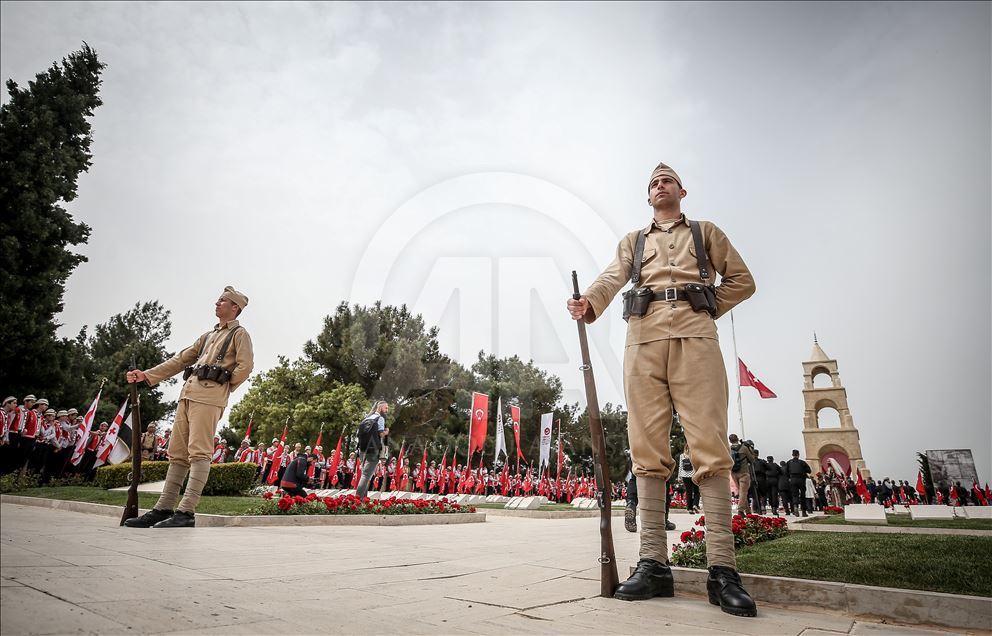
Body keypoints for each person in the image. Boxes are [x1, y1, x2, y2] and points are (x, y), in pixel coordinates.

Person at [567, 162, 757, 616]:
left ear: (681, 190)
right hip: (643, 340)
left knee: (709, 446)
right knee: (646, 448)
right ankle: (653, 563)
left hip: (696, 339)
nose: (659, 186)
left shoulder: (705, 232)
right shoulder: (633, 242)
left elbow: (742, 281)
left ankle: (723, 572)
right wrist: (589, 301)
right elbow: (613, 277)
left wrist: (706, 306)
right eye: (652, 183)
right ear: (647, 197)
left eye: (666, 180)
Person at [124, 286, 254, 529]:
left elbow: (245, 367)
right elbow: (181, 359)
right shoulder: (207, 336)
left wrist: (220, 389)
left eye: (223, 301)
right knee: (178, 454)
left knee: (199, 452)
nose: (217, 303)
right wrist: (147, 376)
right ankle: (164, 508)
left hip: (208, 399)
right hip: (188, 396)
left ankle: (186, 512)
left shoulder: (239, 334)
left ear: (235, 307)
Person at [355, 401, 389, 499]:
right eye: (385, 408)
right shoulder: (380, 418)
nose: (386, 411)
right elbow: (381, 434)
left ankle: (363, 499)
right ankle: (357, 499)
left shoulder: (366, 418)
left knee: (365, 475)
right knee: (366, 475)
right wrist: (386, 432)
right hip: (373, 450)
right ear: (380, 408)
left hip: (362, 450)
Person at [729, 435, 756, 516]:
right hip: (744, 472)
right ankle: (740, 510)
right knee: (743, 492)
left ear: (730, 441)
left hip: (733, 473)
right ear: (737, 439)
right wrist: (750, 449)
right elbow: (752, 459)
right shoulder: (744, 448)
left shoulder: (728, 449)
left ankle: (747, 511)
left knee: (742, 493)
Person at [786, 450, 812, 517]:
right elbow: (809, 471)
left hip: (793, 479)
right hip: (801, 479)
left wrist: (789, 477)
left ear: (792, 455)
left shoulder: (789, 462)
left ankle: (795, 506)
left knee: (795, 495)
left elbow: (786, 472)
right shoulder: (802, 462)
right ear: (798, 455)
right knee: (803, 495)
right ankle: (804, 511)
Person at [677, 443, 699, 514]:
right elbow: (696, 466)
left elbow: (680, 466)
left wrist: (679, 476)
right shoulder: (693, 455)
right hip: (693, 475)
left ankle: (689, 508)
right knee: (696, 491)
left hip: (684, 475)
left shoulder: (682, 456)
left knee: (688, 492)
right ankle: (695, 505)